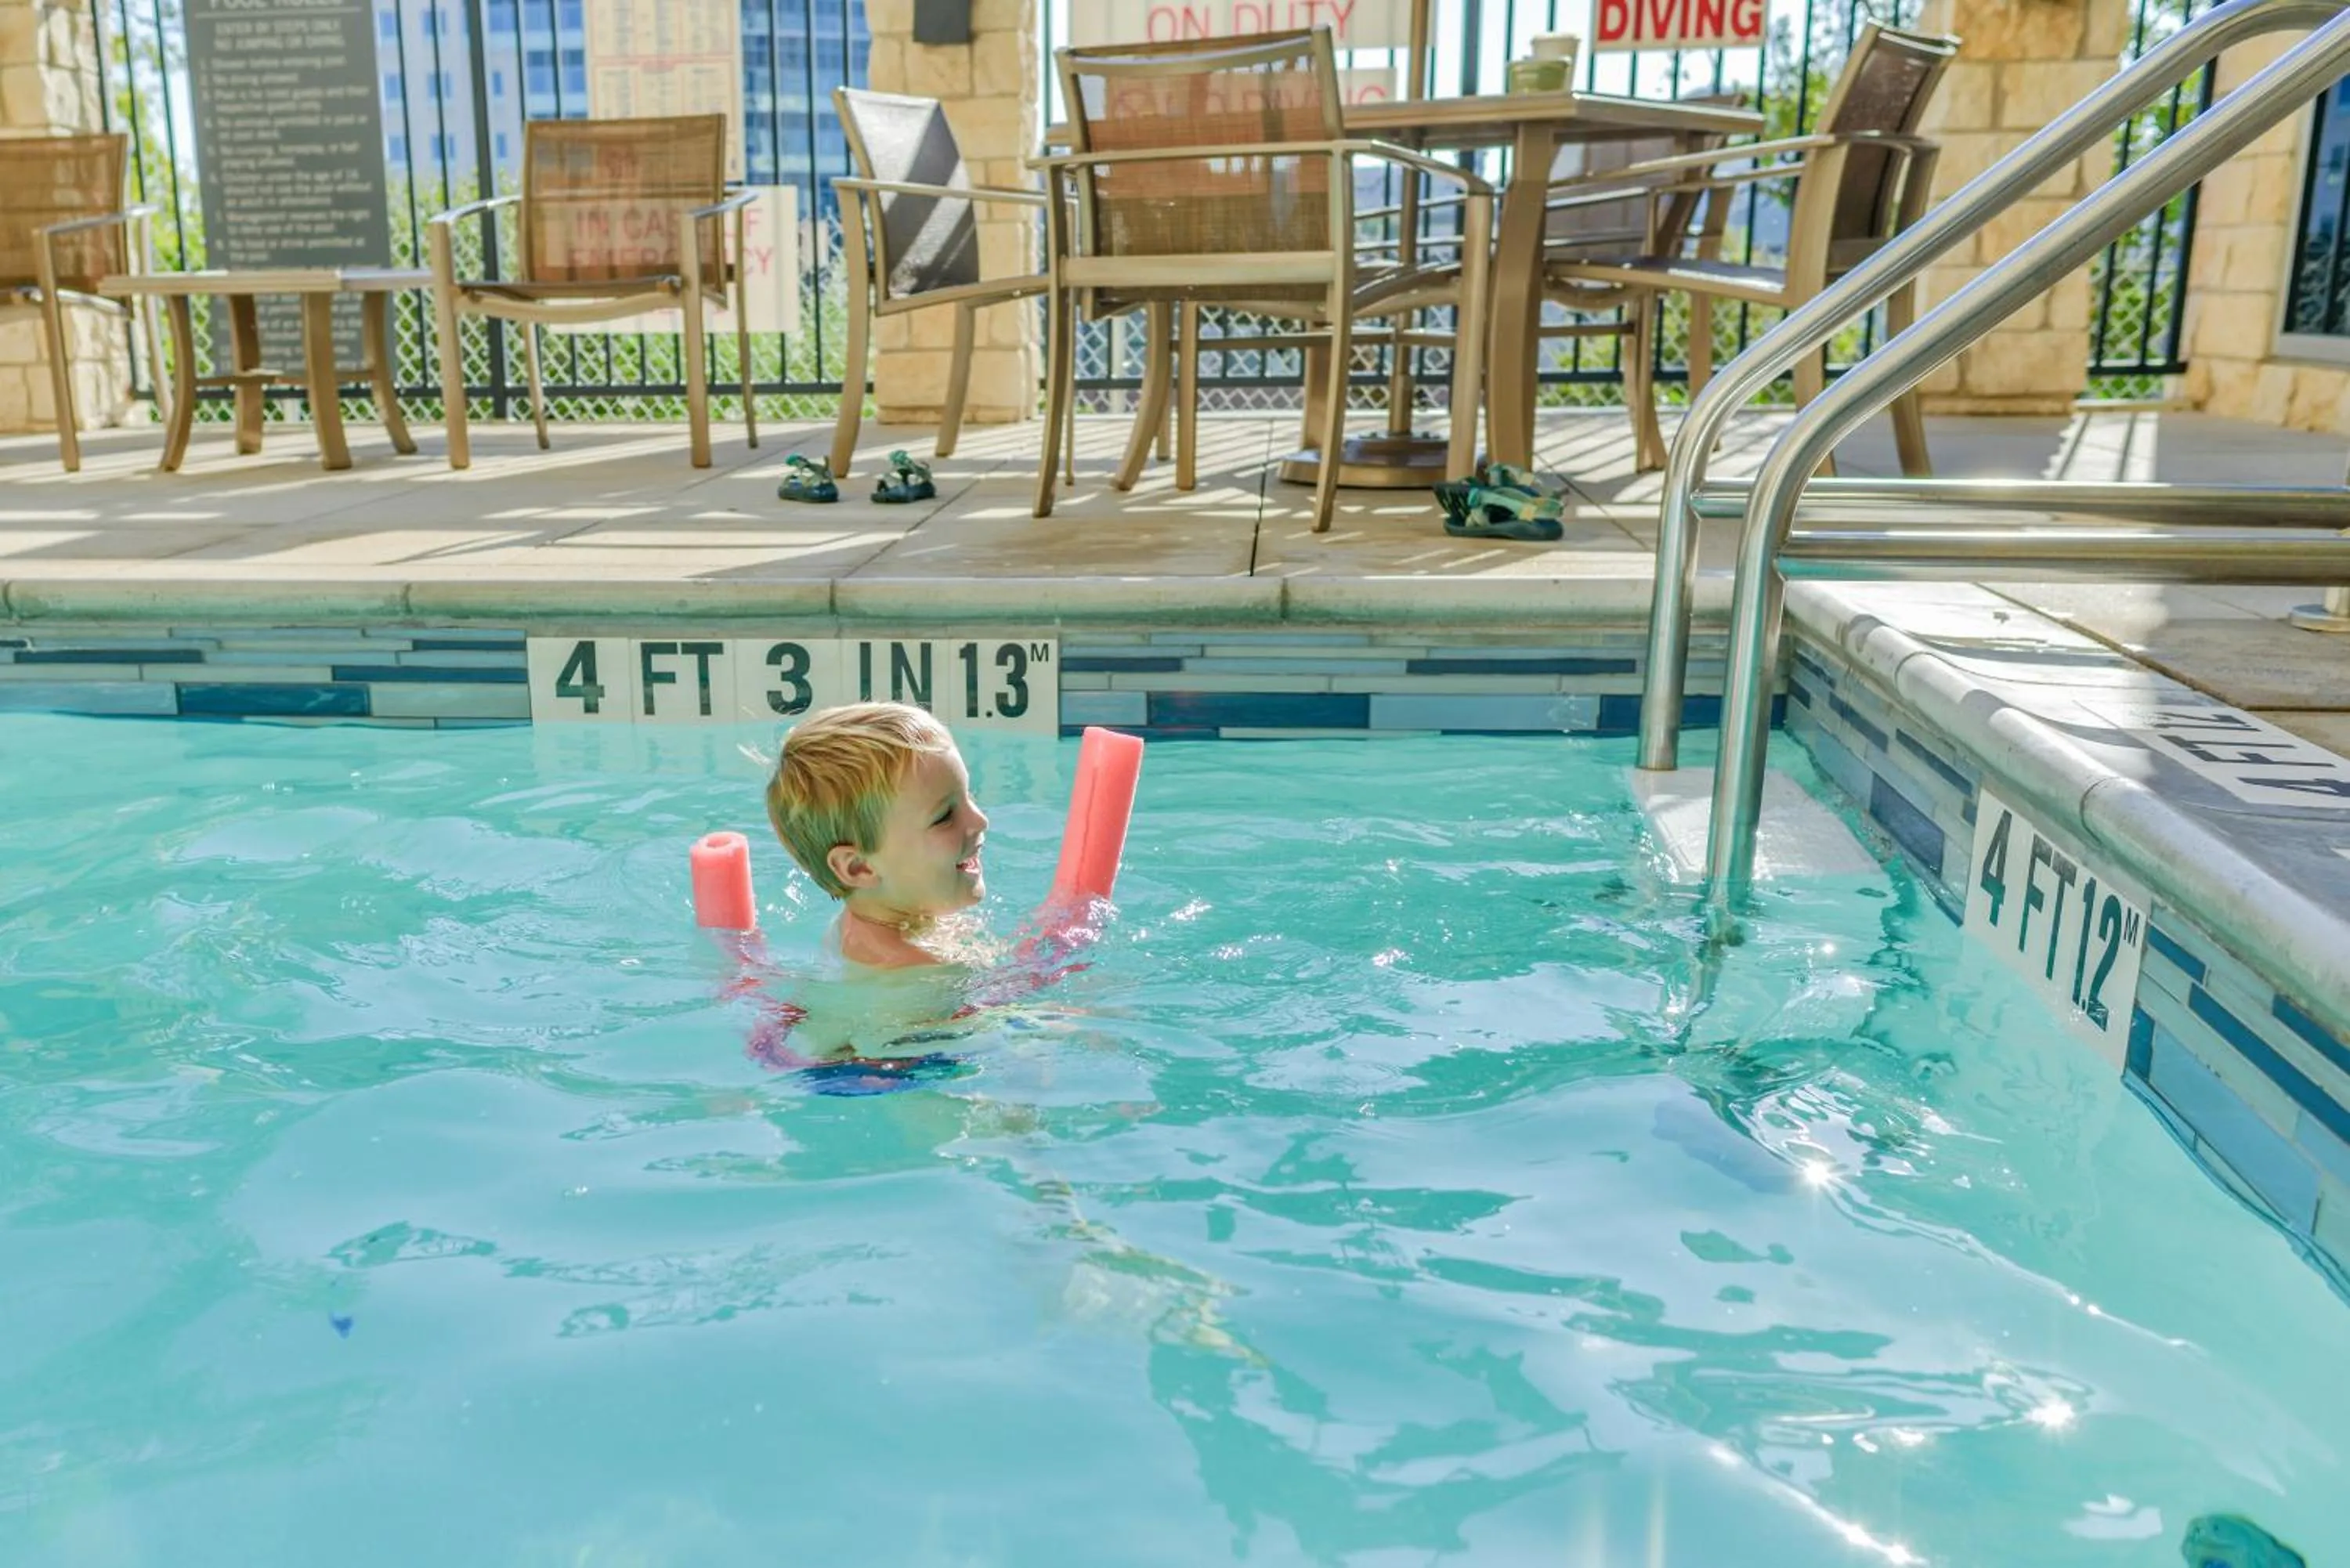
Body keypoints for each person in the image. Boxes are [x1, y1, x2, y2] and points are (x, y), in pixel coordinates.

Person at [764, 700, 990, 971]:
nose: (980, 821)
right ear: (859, 867)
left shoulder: (866, 922)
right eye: (944, 817)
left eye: (969, 795)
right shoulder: (920, 974)